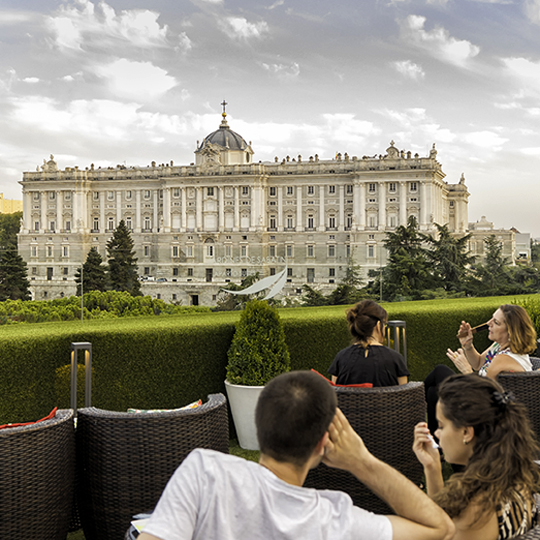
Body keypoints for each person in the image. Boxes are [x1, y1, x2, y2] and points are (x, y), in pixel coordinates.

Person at [138, 371, 454, 540]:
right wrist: (362, 461)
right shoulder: (336, 519)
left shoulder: (204, 471)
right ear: (323, 444)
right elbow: (439, 528)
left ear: (258, 426)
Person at [414, 373, 540, 540]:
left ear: (466, 432)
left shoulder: (476, 508)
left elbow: (443, 531)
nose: (436, 433)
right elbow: (443, 522)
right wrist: (432, 467)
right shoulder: (516, 473)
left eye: (442, 426)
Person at [424, 304, 537, 436]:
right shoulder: (498, 346)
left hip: (485, 410)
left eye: (495, 322)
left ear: (510, 331)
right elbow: (478, 363)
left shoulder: (504, 358)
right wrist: (468, 345)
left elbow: (483, 394)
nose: (489, 324)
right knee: (433, 393)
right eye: (491, 319)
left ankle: (416, 411)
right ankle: (436, 448)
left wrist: (466, 370)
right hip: (478, 396)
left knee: (440, 371)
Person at [328, 300, 409, 386]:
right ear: (378, 325)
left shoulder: (341, 358)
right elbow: (404, 394)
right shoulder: (395, 359)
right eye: (384, 324)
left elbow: (334, 393)